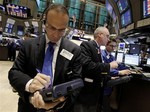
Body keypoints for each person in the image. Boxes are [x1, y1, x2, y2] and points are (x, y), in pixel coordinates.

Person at [8, 4, 82, 112]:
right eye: (52, 28)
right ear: (44, 24)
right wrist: (30, 85)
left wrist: (57, 104)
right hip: (29, 107)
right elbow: (14, 73)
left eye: (61, 30)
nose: (56, 35)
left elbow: (76, 83)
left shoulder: (74, 50)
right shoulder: (29, 45)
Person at [73, 27, 118, 112]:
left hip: (94, 93)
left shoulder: (98, 48)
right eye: (107, 36)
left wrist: (108, 77)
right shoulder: (87, 45)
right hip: (86, 93)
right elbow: (88, 66)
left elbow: (97, 70)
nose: (108, 39)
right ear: (100, 35)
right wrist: (109, 66)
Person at [101, 39, 131, 112]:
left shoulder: (111, 56)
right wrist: (119, 72)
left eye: (115, 46)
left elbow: (117, 66)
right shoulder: (102, 55)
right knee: (105, 105)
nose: (113, 48)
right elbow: (105, 70)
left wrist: (128, 69)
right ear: (106, 45)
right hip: (104, 82)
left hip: (109, 84)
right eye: (111, 46)